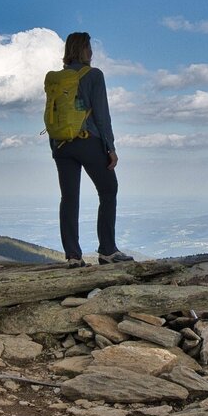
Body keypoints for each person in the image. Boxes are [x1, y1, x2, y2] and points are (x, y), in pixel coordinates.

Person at [50, 32, 134, 268]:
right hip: (88, 141)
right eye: (89, 47)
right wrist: (110, 147)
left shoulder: (57, 79)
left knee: (69, 198)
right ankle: (107, 250)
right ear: (83, 50)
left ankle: (73, 257)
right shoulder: (94, 75)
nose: (92, 52)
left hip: (60, 144)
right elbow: (102, 115)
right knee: (108, 189)